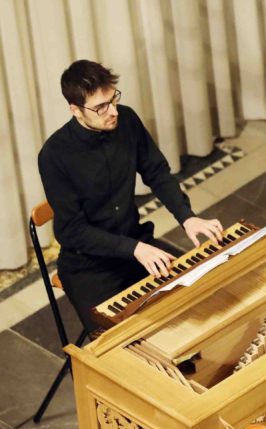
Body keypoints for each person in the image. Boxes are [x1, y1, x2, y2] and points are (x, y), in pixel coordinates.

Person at [38, 59, 225, 333]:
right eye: (101, 107)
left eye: (113, 99)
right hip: (90, 267)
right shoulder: (54, 156)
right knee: (120, 342)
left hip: (136, 243)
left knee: (204, 294)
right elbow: (72, 231)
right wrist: (134, 249)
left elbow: (156, 172)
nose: (113, 111)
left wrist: (187, 218)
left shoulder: (126, 120)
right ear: (75, 110)